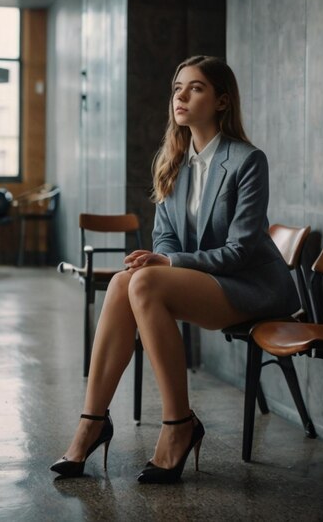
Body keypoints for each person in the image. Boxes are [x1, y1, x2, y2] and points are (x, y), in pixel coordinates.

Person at [50, 55, 300, 483]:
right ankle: (93, 420)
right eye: (177, 88)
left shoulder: (247, 161)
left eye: (195, 88)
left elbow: (240, 250)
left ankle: (178, 425)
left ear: (222, 101)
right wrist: (162, 257)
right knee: (123, 283)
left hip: (250, 286)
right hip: (206, 281)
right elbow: (164, 237)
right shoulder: (173, 161)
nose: (180, 96)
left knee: (144, 281)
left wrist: (168, 261)